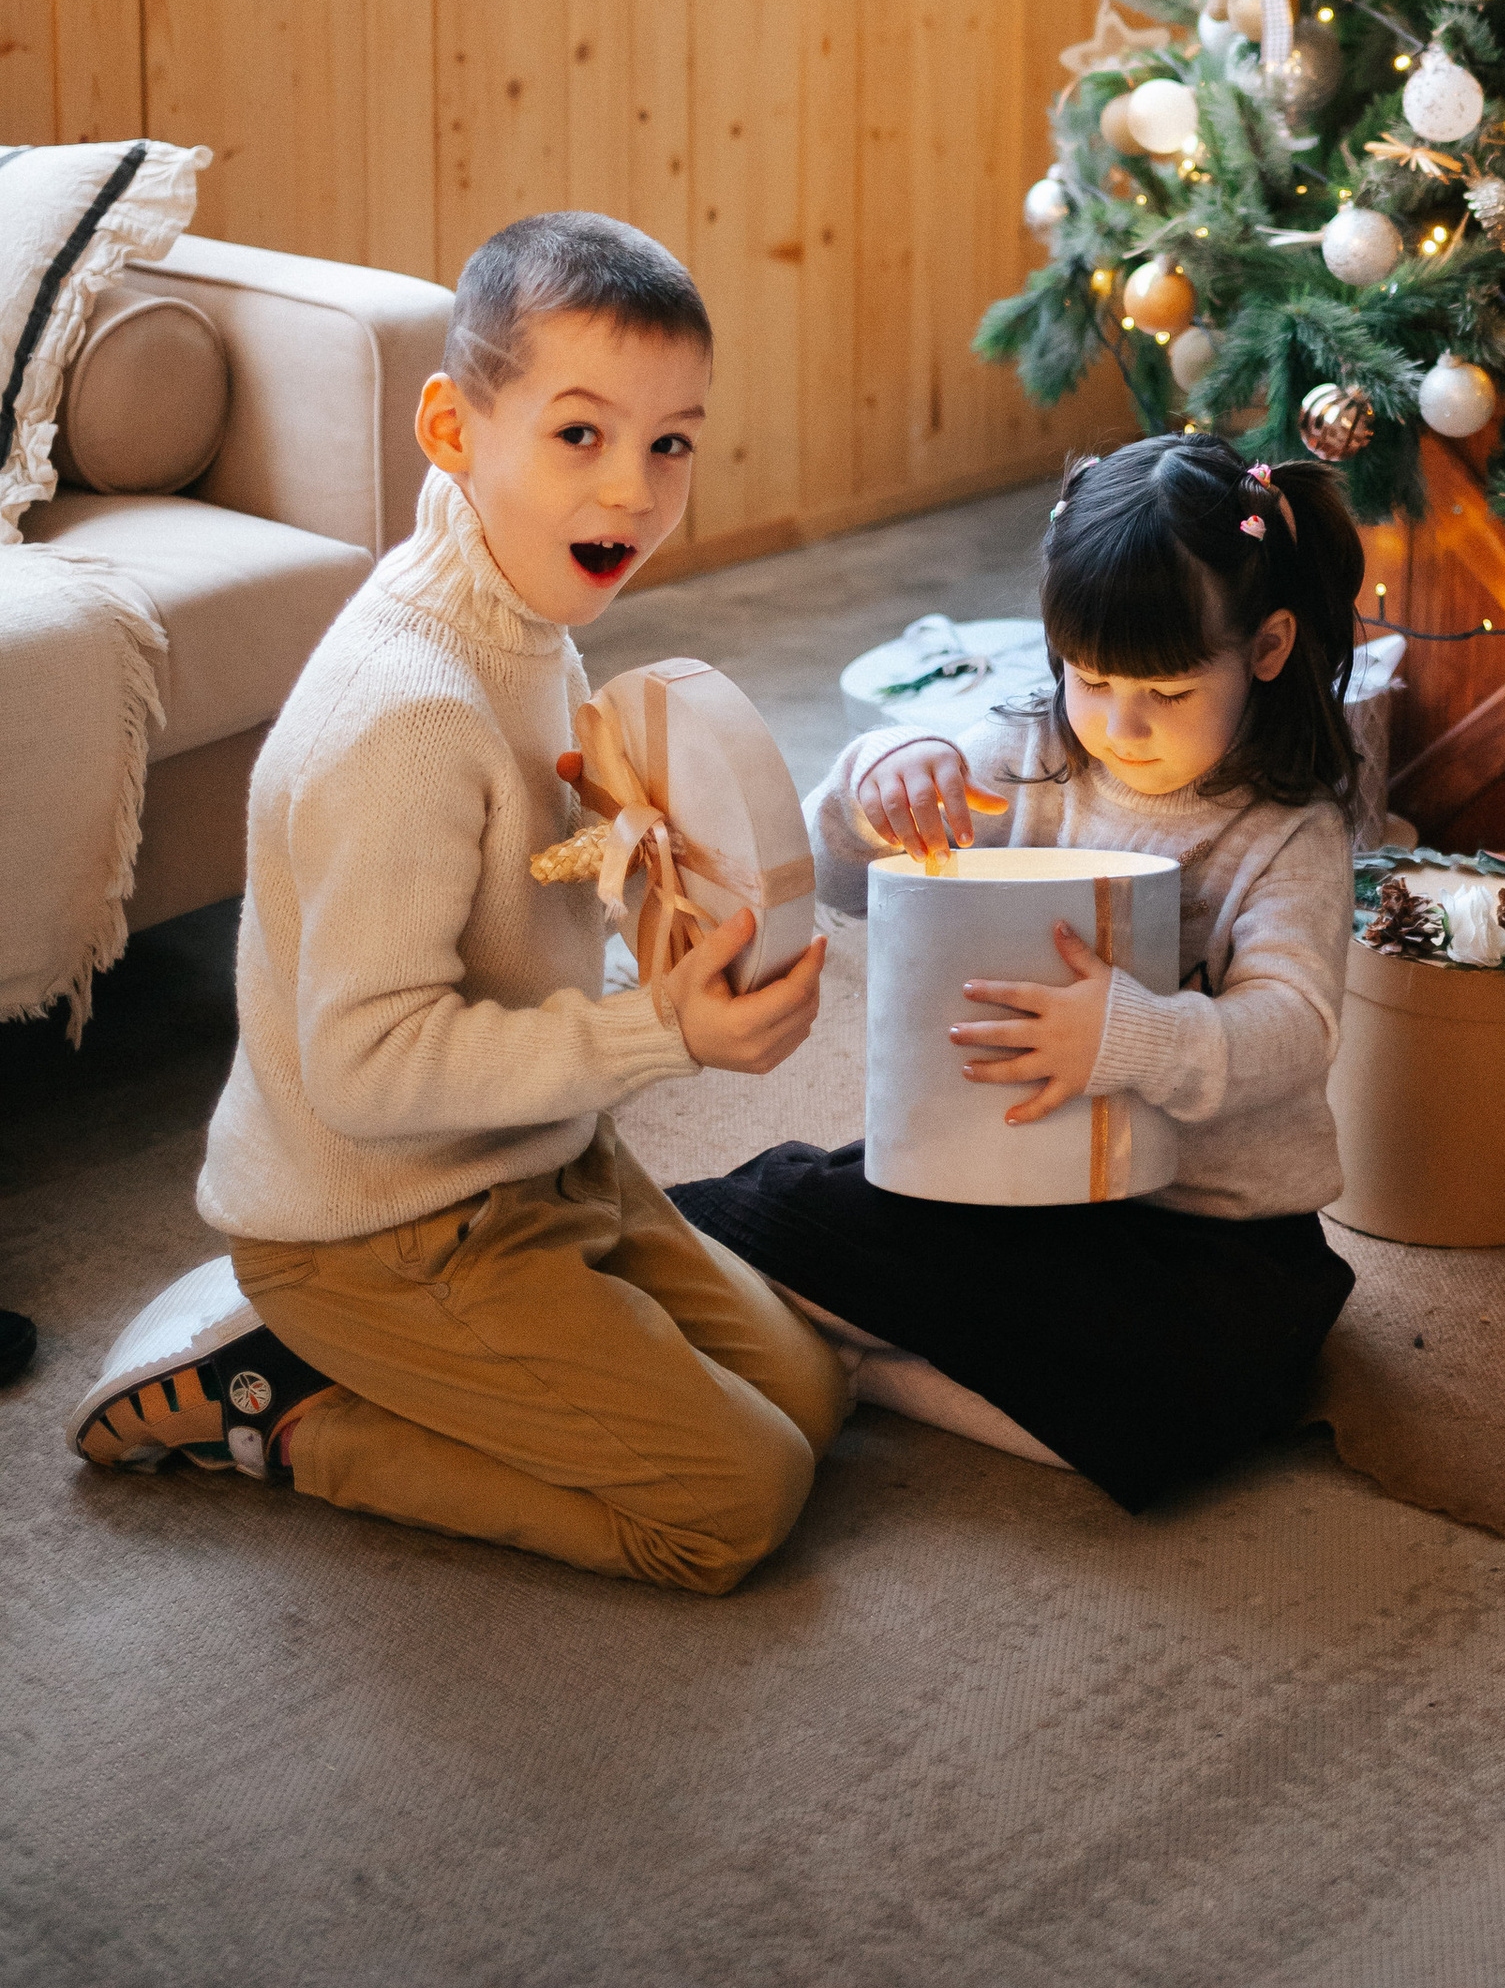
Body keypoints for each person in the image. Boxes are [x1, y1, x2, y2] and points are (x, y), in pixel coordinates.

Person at [71, 212, 843, 1593]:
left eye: (671, 441)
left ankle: (432, 1353)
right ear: (450, 429)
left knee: (814, 1392)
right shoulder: (408, 715)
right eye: (580, 435)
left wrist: (639, 866)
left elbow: (524, 891)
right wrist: (653, 1035)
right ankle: (290, 1411)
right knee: (739, 1500)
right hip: (384, 1226)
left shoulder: (523, 620)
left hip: (534, 1160)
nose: (634, 492)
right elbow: (363, 1070)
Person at [672, 430, 1361, 1508]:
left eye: (1168, 694)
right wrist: (871, 785)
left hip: (1199, 1232)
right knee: (762, 1218)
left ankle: (866, 1367)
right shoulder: (1022, 757)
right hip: (994, 1178)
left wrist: (1130, 1034)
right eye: (1090, 679)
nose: (1120, 724)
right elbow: (830, 881)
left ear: (1267, 648)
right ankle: (884, 1339)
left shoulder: (1285, 836)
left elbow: (1293, 1028)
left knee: (1211, 1402)